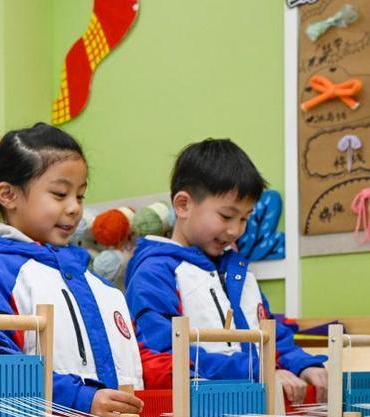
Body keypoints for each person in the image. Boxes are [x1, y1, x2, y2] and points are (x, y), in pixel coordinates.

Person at [0, 123, 144, 417]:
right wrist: (80, 399)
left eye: (79, 196)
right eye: (59, 194)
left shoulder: (94, 282)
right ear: (8, 195)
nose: (74, 209)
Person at [125, 138, 326, 401]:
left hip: (248, 410)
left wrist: (301, 363)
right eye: (226, 216)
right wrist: (257, 370)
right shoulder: (154, 272)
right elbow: (161, 357)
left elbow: (270, 335)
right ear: (183, 205)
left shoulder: (238, 271)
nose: (235, 231)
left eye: (244, 218)